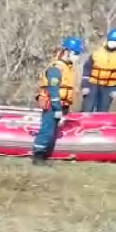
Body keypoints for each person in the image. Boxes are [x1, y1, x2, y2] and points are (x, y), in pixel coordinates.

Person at [32, 36, 84, 166]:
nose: (77, 56)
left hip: (61, 104)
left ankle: (44, 155)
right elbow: (53, 89)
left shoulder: (68, 67)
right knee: (47, 130)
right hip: (52, 104)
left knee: (52, 131)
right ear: (67, 51)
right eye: (76, 53)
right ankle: (38, 156)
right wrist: (57, 108)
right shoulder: (57, 68)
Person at [81, 28, 116, 112]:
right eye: (111, 40)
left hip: (109, 87)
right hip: (93, 84)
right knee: (87, 107)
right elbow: (86, 69)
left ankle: (99, 124)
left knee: (103, 109)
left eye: (115, 41)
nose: (112, 43)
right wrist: (85, 86)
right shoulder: (97, 53)